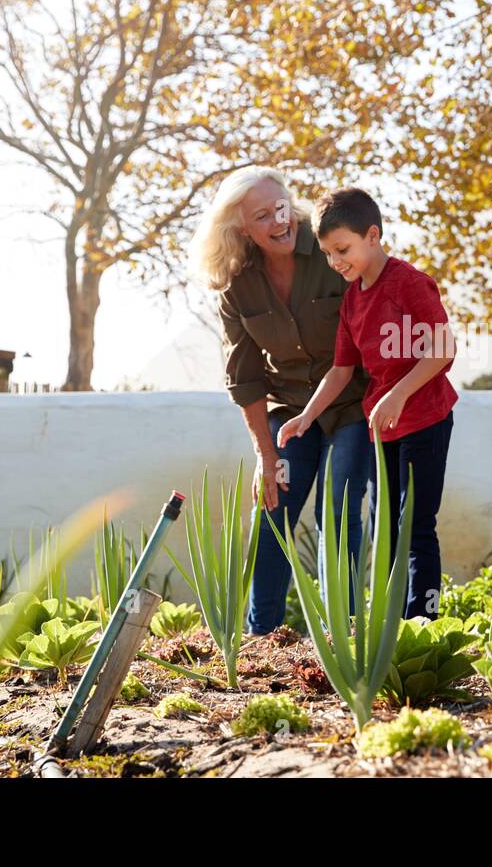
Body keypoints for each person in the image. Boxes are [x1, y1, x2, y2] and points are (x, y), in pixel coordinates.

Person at [189, 166, 371, 635]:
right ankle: (260, 640)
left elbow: (377, 304)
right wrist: (264, 456)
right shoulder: (237, 285)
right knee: (273, 510)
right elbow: (245, 377)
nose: (279, 222)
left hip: (352, 405)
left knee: (339, 509)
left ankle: (341, 634)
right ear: (240, 229)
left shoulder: (331, 247)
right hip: (290, 414)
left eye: (282, 207)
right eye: (263, 216)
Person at [278, 187, 458, 619]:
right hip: (387, 427)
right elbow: (341, 371)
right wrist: (306, 416)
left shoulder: (409, 283)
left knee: (415, 525)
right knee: (388, 530)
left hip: (426, 420)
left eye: (342, 249)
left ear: (372, 236)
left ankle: (425, 619)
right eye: (326, 253)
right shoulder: (353, 299)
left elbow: (443, 349)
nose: (335, 261)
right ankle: (394, 621)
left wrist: (398, 393)